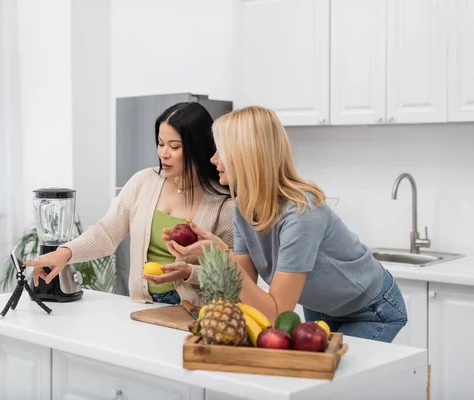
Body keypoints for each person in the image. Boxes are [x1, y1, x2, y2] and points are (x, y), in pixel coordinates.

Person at [168, 105, 407, 343]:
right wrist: (210, 253)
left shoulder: (303, 213)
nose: (213, 158)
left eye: (221, 150)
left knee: (339, 378)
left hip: (370, 310)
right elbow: (242, 288)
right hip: (320, 306)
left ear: (247, 154)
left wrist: (223, 257)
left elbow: (276, 314)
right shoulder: (243, 207)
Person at [23, 102, 234, 305]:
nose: (163, 154)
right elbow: (106, 233)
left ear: (198, 148)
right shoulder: (143, 182)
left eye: (174, 146)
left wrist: (190, 273)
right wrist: (65, 253)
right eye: (160, 144)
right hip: (142, 306)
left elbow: (233, 273)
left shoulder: (223, 204)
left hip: (194, 312)